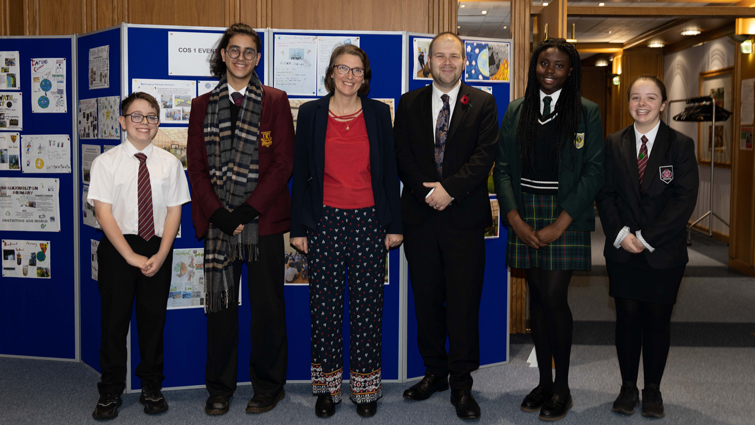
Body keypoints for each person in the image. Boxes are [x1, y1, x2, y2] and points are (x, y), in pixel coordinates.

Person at [494, 38, 604, 421]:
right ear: (534, 67)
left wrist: (561, 223)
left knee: (555, 297)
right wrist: (514, 219)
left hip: (565, 215)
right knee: (538, 299)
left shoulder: (586, 112)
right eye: (544, 64)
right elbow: (503, 168)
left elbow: (594, 171)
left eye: (559, 66)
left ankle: (563, 387)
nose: (550, 72)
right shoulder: (516, 110)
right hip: (525, 212)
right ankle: (543, 381)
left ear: (570, 70)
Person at [187, 23, 294, 416]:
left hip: (261, 224)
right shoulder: (201, 106)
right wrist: (218, 212)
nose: (241, 58)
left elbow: (283, 163)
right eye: (234, 50)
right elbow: (195, 167)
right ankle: (219, 388)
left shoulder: (275, 101)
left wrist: (249, 210)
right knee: (221, 308)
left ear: (259, 58)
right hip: (219, 225)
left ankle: (269, 386)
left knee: (267, 309)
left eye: (250, 51)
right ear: (223, 54)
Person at [290, 44, 403, 419]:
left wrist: (394, 225)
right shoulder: (310, 114)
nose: (350, 76)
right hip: (324, 222)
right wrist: (299, 227)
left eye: (357, 70)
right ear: (331, 72)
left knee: (368, 310)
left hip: (370, 221)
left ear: (364, 77)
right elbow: (302, 172)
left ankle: (365, 390)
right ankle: (327, 390)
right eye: (344, 68)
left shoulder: (378, 113)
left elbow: (389, 173)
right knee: (324, 311)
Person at [394, 32, 499, 420]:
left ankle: (461, 383)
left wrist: (449, 190)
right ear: (429, 61)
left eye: (454, 56)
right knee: (426, 301)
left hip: (464, 219)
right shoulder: (409, 103)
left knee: (462, 302)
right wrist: (428, 193)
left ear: (464, 61)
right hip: (421, 218)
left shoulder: (483, 103)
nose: (448, 63)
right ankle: (434, 372)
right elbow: (401, 153)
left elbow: (484, 155)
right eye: (440, 56)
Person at [596, 75, 698, 419]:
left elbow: (684, 200)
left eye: (650, 98)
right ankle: (627, 388)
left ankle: (652, 390)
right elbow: (605, 194)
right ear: (628, 103)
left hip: (663, 252)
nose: (642, 104)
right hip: (622, 248)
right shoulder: (612, 143)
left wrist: (647, 237)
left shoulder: (680, 146)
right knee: (626, 320)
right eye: (636, 97)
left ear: (663, 105)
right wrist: (622, 234)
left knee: (657, 321)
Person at [88, 92, 191, 420]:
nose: (144, 122)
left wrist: (162, 254)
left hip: (157, 249)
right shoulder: (106, 162)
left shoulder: (170, 163)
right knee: (114, 322)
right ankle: (111, 388)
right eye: (136, 116)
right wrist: (130, 255)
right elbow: (103, 213)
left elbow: (174, 212)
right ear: (122, 121)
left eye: (151, 117)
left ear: (158, 123)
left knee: (152, 321)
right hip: (119, 249)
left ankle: (151, 385)